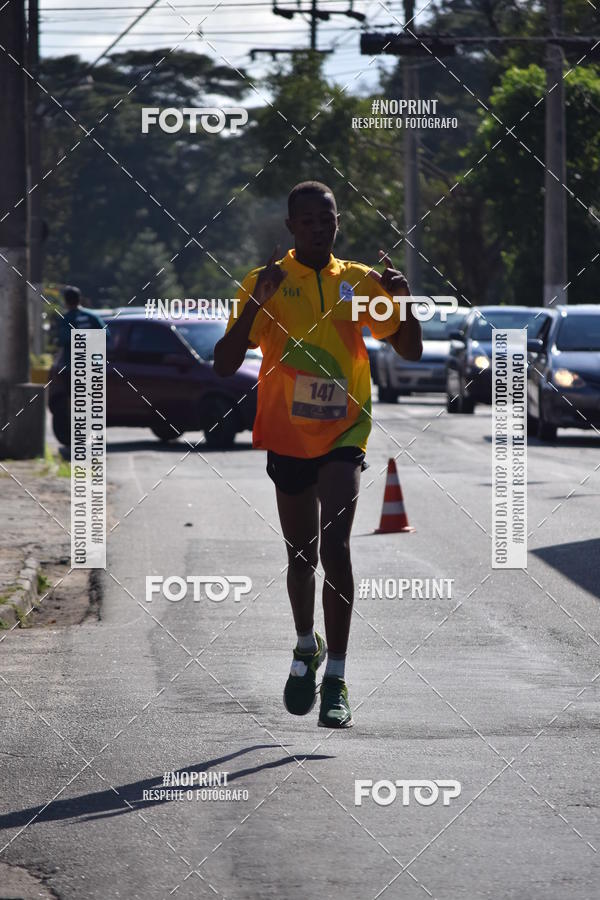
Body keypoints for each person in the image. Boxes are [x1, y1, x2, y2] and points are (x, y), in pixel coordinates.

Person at [214, 181, 422, 728]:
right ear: (291, 227)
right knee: (302, 556)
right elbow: (224, 361)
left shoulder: (359, 281)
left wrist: (403, 303)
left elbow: (409, 348)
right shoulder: (266, 280)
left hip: (344, 432)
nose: (317, 228)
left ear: (337, 223)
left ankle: (337, 680)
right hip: (286, 433)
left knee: (337, 546)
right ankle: (307, 645)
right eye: (306, 220)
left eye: (325, 219)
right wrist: (256, 303)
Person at [58, 286, 104, 367]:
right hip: (93, 364)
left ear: (65, 301)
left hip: (73, 365)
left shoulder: (66, 319)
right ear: (79, 299)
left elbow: (63, 340)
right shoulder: (92, 316)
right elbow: (106, 335)